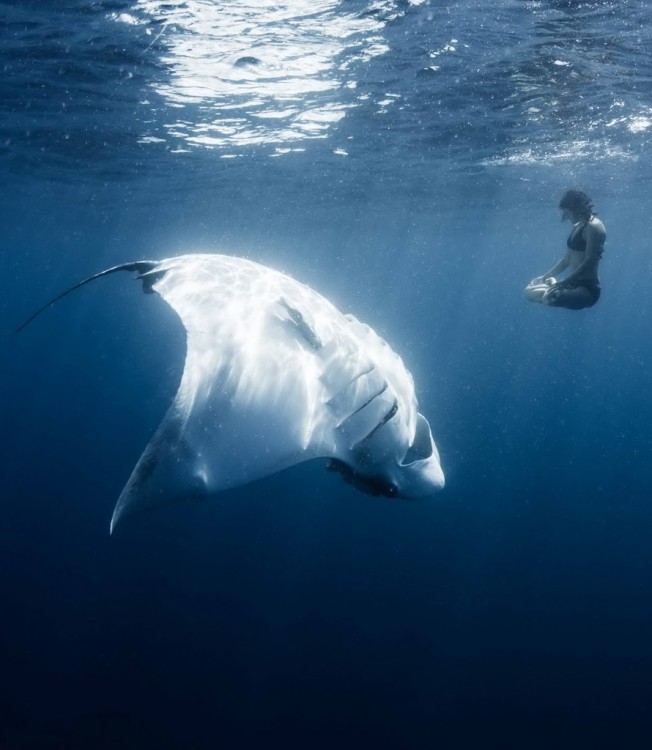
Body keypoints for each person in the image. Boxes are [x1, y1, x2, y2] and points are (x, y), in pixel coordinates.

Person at [524, 189, 606, 310]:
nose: (568, 217)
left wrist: (565, 282)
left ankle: (554, 287)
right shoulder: (578, 226)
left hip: (587, 289)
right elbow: (567, 259)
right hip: (571, 285)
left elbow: (590, 261)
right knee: (527, 293)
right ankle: (553, 284)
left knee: (550, 299)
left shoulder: (594, 227)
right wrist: (545, 276)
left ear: (578, 208)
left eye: (569, 214)